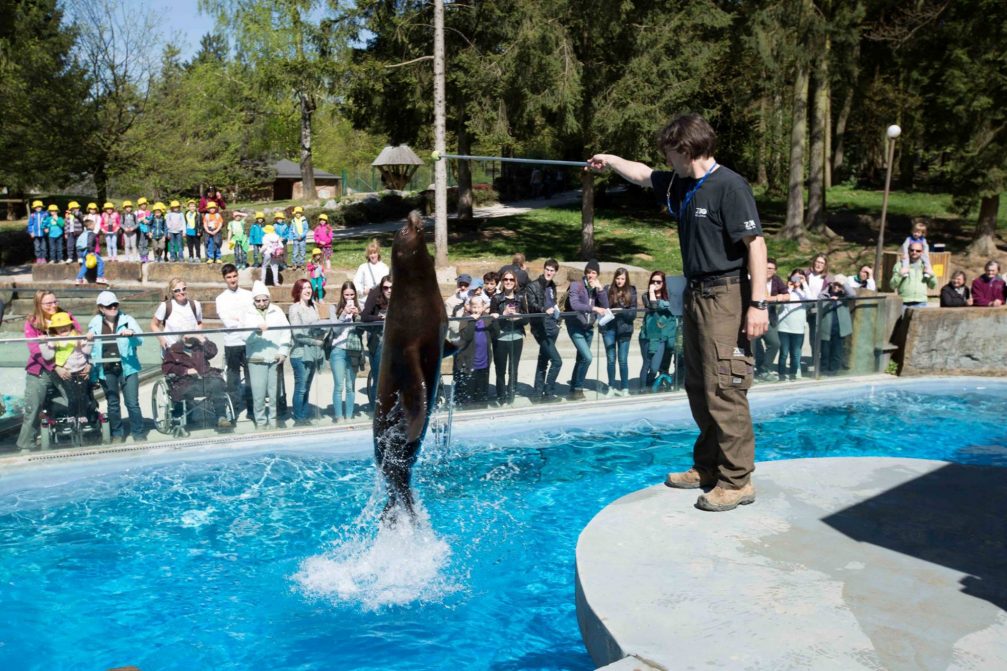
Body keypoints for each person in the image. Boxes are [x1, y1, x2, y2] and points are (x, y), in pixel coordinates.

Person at [588, 113, 768, 512]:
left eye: (670, 153)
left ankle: (737, 480)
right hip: (696, 294)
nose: (666, 161)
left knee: (726, 385)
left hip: (727, 295)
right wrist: (610, 160)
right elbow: (641, 174)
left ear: (686, 150)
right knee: (699, 385)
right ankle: (708, 467)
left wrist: (758, 304)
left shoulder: (730, 186)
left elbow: (755, 245)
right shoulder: (684, 183)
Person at [17, 292, 82, 451]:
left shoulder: (67, 316)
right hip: (39, 370)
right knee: (32, 407)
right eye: (48, 303)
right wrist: (55, 367)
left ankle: (76, 434)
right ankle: (26, 444)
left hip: (67, 367)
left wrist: (84, 362)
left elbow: (79, 337)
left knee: (77, 400)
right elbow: (34, 350)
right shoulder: (32, 322)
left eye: (55, 301)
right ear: (39, 305)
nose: (53, 305)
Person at [88, 291, 146, 441]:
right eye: (109, 306)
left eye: (115, 304)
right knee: (113, 403)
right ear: (101, 308)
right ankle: (117, 433)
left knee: (132, 403)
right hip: (106, 368)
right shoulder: (95, 323)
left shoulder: (127, 319)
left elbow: (140, 340)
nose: (113, 308)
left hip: (128, 367)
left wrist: (132, 334)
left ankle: (138, 433)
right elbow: (91, 349)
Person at [243, 280, 291, 429]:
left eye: (265, 299)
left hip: (274, 357)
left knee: (274, 393)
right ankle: (261, 422)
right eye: (258, 300)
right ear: (254, 300)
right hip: (256, 358)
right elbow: (243, 335)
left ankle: (273, 420)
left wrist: (283, 352)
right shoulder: (247, 313)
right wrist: (256, 331)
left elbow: (286, 331)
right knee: (258, 394)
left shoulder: (277, 311)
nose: (262, 303)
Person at [161, 336, 232, 429]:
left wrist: (203, 340)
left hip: (204, 380)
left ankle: (221, 417)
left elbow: (213, 352)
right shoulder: (173, 351)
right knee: (184, 390)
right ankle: (181, 415)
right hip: (185, 383)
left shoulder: (200, 347)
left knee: (217, 383)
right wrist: (185, 370)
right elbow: (167, 368)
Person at [564, 259, 610, 399]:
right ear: (585, 273)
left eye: (594, 272)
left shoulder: (596, 288)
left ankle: (572, 389)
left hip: (589, 328)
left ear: (597, 275)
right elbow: (575, 304)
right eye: (589, 272)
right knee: (588, 357)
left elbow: (606, 306)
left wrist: (601, 290)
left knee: (581, 359)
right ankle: (578, 388)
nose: (591, 275)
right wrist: (594, 308)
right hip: (575, 327)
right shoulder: (576, 286)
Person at [39, 311, 95, 423]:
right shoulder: (54, 339)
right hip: (67, 372)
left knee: (83, 396)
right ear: (55, 329)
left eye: (65, 325)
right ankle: (71, 416)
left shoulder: (77, 336)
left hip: (81, 370)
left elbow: (87, 351)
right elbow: (48, 356)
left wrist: (90, 341)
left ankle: (82, 415)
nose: (63, 328)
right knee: (72, 397)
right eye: (59, 327)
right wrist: (43, 343)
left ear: (70, 325)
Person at [216, 264, 254, 418]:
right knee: (233, 379)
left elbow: (252, 317)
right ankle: (234, 410)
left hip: (248, 342)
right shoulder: (221, 298)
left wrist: (239, 319)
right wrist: (241, 320)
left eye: (234, 276)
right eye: (229, 277)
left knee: (251, 377)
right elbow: (227, 322)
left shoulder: (248, 295)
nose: (232, 280)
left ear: (238, 276)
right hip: (231, 343)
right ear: (225, 279)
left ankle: (252, 410)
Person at [288, 278, 325, 425]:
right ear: (298, 291)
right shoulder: (294, 308)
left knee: (307, 387)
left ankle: (304, 416)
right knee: (301, 387)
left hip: (313, 353)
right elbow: (297, 334)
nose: (308, 290)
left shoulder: (313, 306)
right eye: (304, 288)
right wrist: (315, 341)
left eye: (309, 287)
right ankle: (299, 418)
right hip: (300, 353)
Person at [525, 259, 563, 402]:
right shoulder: (533, 286)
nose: (549, 272)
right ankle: (548, 392)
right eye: (547, 269)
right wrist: (544, 310)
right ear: (544, 269)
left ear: (555, 272)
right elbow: (532, 305)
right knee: (557, 361)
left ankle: (536, 393)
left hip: (553, 327)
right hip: (541, 328)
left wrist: (557, 321)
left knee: (543, 360)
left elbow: (553, 304)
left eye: (552, 270)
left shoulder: (552, 286)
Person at [489, 269, 528, 405]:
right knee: (500, 370)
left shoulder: (521, 297)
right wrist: (503, 314)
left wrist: (518, 318)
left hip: (516, 337)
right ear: (502, 281)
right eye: (506, 279)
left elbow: (526, 319)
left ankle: (510, 396)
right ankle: (501, 396)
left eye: (511, 280)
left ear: (515, 282)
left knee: (513, 369)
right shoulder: (496, 298)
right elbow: (492, 321)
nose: (508, 282)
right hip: (500, 338)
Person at [455, 291, 498, 407]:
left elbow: (496, 334)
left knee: (482, 392)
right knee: (469, 392)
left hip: (484, 361)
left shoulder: (486, 318)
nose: (476, 310)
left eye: (479, 307)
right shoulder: (466, 318)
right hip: (470, 362)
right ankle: (468, 410)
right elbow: (466, 336)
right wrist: (472, 320)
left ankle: (481, 408)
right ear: (469, 307)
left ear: (483, 307)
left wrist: (494, 320)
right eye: (474, 307)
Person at [328, 281, 364, 422]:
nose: (349, 297)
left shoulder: (359, 308)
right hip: (338, 349)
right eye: (346, 295)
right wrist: (343, 314)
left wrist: (358, 316)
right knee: (339, 385)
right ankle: (339, 417)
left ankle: (348, 417)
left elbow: (362, 331)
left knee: (350, 385)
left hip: (353, 350)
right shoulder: (334, 308)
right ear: (342, 295)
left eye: (352, 295)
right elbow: (335, 330)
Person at [601, 267, 637, 396]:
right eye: (617, 278)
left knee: (623, 360)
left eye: (622, 278)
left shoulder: (631, 291)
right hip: (609, 329)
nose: (619, 281)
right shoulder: (608, 290)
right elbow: (603, 307)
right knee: (611, 359)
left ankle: (625, 388)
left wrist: (621, 310)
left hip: (625, 330)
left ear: (626, 279)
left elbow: (633, 314)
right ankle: (611, 387)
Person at [639, 270, 676, 391]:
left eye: (658, 282)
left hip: (667, 335)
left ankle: (654, 384)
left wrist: (665, 304)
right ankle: (644, 388)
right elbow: (654, 306)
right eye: (653, 281)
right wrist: (651, 292)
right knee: (651, 366)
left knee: (662, 366)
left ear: (663, 283)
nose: (655, 284)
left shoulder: (669, 295)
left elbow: (673, 307)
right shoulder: (646, 296)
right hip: (652, 335)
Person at [752, 258, 789, 380]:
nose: (768, 270)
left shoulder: (776, 280)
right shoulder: (755, 279)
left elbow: (787, 295)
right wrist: (777, 297)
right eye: (766, 267)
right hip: (755, 318)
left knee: (775, 343)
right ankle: (750, 372)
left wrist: (773, 298)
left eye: (771, 268)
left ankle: (764, 369)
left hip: (769, 319)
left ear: (775, 270)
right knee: (753, 347)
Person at [361, 274, 391, 407]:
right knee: (378, 379)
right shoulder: (374, 295)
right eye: (386, 288)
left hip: (394, 341)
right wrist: (381, 319)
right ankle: (375, 410)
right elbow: (364, 316)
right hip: (377, 340)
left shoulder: (399, 297)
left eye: (392, 287)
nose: (389, 290)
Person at [150, 278, 203, 351]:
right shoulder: (165, 306)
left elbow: (199, 323)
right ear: (172, 292)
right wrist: (161, 339)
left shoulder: (195, 305)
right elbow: (154, 325)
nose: (181, 292)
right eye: (177, 290)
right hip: (172, 350)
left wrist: (197, 336)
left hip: (191, 349)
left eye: (184, 289)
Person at [777, 269, 809, 381]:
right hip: (784, 327)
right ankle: (781, 375)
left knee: (795, 354)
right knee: (784, 353)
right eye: (795, 277)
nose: (797, 280)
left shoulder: (804, 293)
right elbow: (785, 304)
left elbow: (810, 299)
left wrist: (802, 284)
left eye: (800, 277)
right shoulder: (785, 291)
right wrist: (790, 288)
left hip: (798, 328)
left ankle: (793, 375)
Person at [817, 277, 852, 375]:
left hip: (839, 329)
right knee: (825, 352)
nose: (836, 287)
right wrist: (829, 297)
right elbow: (820, 300)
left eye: (839, 285)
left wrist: (844, 283)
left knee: (837, 352)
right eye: (835, 284)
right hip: (826, 329)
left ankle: (834, 372)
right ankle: (823, 371)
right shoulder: (824, 295)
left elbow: (853, 294)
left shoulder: (844, 296)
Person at [890, 242, 936, 311]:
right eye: (912, 250)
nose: (914, 252)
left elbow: (933, 286)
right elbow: (892, 285)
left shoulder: (926, 265)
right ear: (908, 250)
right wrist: (900, 275)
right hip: (904, 302)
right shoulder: (900, 265)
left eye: (918, 251)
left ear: (922, 252)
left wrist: (932, 275)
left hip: (921, 303)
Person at [805, 253, 829, 346]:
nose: (819, 265)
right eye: (817, 262)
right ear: (814, 262)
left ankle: (814, 359)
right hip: (802, 307)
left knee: (814, 336)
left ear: (825, 266)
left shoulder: (828, 279)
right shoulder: (806, 274)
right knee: (798, 335)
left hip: (816, 309)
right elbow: (791, 278)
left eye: (822, 263)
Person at [73, 220, 108, 285]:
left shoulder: (83, 233)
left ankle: (79, 279)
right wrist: (91, 251)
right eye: (94, 225)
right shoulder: (91, 234)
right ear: (90, 226)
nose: (94, 226)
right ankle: (100, 277)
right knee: (100, 262)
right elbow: (90, 242)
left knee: (85, 265)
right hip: (88, 251)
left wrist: (79, 255)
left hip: (81, 251)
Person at [444, 273, 472, 346]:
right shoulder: (450, 301)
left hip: (472, 333)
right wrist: (463, 330)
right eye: (460, 285)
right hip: (457, 335)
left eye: (466, 285)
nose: (463, 287)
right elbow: (448, 320)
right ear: (457, 285)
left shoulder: (474, 298)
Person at [289, 206, 310, 270]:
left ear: (301, 214)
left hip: (302, 238)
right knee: (295, 251)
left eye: (299, 213)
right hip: (295, 238)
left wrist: (302, 236)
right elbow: (291, 229)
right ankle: (294, 264)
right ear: (295, 214)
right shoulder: (293, 221)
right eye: (297, 213)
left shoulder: (304, 220)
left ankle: (302, 264)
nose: (298, 214)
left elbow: (306, 229)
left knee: (302, 251)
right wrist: (290, 237)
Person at [136, 198, 152, 263]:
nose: (143, 206)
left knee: (146, 243)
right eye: (142, 205)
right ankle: (142, 256)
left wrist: (147, 221)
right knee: (140, 243)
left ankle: (146, 256)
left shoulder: (148, 212)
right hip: (140, 230)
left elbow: (151, 220)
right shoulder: (136, 212)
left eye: (145, 204)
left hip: (147, 230)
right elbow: (135, 221)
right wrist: (141, 219)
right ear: (139, 205)